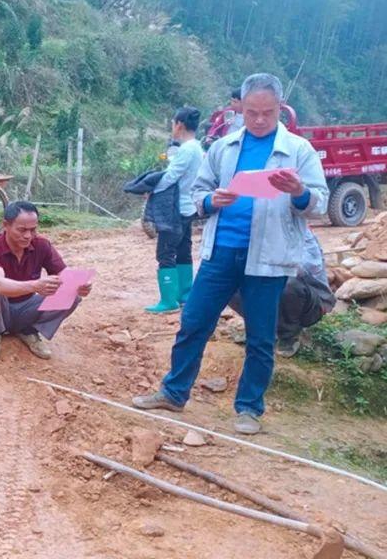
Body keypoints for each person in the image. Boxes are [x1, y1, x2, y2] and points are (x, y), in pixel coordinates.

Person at [132, 73, 329, 435]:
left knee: (260, 336)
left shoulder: (298, 151)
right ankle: (174, 392)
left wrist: (299, 191)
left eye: (266, 112)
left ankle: (249, 408)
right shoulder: (224, 147)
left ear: (279, 110)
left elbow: (318, 204)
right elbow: (199, 193)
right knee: (194, 322)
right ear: (240, 108)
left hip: (267, 258)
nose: (257, 119)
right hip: (221, 251)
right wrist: (211, 200)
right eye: (251, 111)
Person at [0, 201, 92, 361]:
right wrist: (34, 286)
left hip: (23, 309)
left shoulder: (41, 245)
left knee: (72, 295)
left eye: (33, 229)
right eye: (22, 230)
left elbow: (64, 273)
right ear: (5, 225)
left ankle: (28, 330)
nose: (28, 235)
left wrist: (79, 285)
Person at [229, 227, 335, 358]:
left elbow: (306, 268)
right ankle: (259, 329)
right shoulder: (255, 234)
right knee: (229, 283)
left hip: (312, 301)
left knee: (288, 282)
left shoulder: (300, 231)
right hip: (271, 292)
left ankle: (288, 336)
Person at [146, 106, 204, 312]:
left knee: (165, 252)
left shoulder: (186, 150)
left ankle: (168, 300)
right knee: (183, 249)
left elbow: (171, 177)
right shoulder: (197, 148)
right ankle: (184, 294)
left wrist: (151, 189)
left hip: (176, 208)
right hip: (188, 207)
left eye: (173, 123)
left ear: (179, 124)